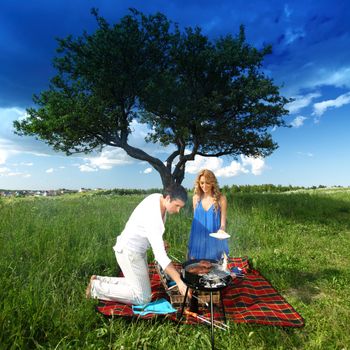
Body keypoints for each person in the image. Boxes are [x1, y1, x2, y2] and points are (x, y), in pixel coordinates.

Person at [86, 184, 189, 305]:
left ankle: (99, 280)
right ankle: (96, 288)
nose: (178, 210)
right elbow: (160, 256)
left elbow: (148, 230)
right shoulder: (154, 215)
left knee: (139, 284)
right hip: (129, 252)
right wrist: (179, 282)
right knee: (143, 298)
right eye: (177, 206)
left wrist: (160, 241)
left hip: (134, 249)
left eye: (180, 207)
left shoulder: (157, 198)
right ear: (167, 198)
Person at [187, 169, 229, 261]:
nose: (204, 186)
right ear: (198, 183)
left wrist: (221, 230)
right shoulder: (195, 199)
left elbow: (223, 223)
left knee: (215, 268)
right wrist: (194, 241)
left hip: (214, 238)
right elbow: (196, 222)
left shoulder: (221, 199)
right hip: (198, 238)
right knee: (197, 266)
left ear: (213, 183)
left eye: (208, 183)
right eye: (202, 183)